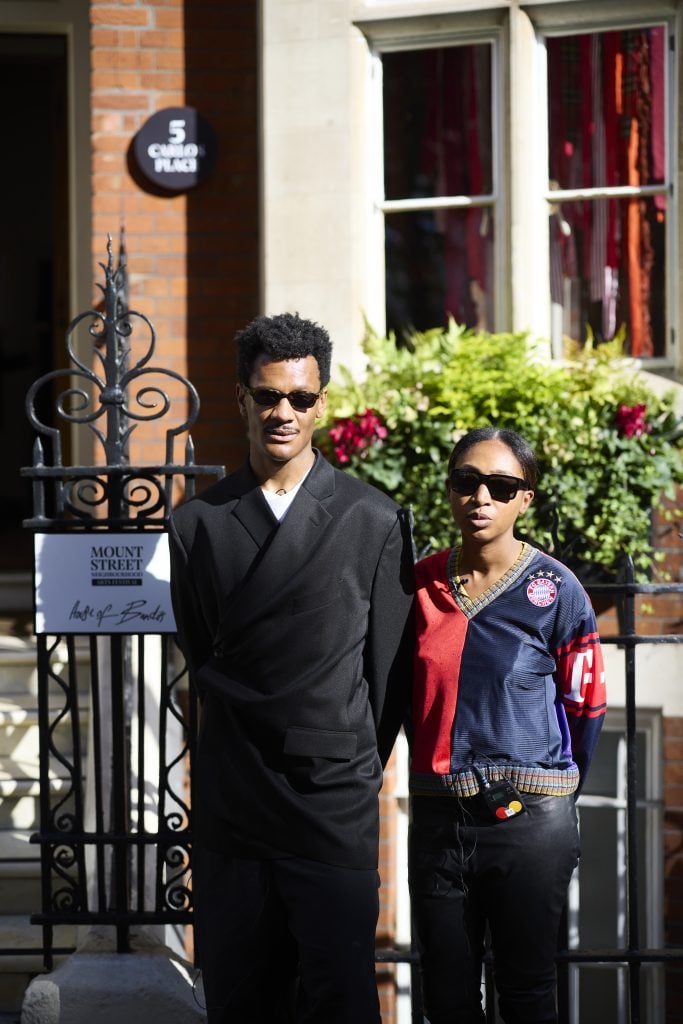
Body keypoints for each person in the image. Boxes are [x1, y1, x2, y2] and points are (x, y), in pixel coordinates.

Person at [168, 312, 414, 1024]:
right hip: (234, 790)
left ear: (322, 402)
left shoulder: (372, 518)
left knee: (339, 992)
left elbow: (389, 674)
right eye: (268, 395)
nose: (284, 413)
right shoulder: (197, 523)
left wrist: (350, 760)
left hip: (329, 798)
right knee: (243, 996)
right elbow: (202, 644)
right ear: (242, 398)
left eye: (300, 399)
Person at [409, 427, 606, 1024]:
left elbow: (585, 705)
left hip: (530, 824)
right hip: (440, 822)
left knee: (525, 994)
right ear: (450, 491)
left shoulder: (557, 591)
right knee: (445, 1000)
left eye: (501, 485)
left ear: (526, 497)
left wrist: (554, 789)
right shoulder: (416, 585)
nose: (481, 498)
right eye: (466, 482)